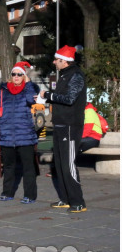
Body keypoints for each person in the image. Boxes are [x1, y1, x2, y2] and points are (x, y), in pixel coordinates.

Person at [39, 45, 88, 213]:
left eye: (56, 60)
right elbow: (61, 98)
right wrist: (47, 98)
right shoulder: (65, 75)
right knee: (59, 164)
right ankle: (66, 199)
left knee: (68, 164)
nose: (54, 62)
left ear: (65, 61)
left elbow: (69, 99)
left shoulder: (76, 75)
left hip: (70, 125)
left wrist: (48, 95)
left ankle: (78, 202)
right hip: (60, 124)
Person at [0, 61, 40, 204]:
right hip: (7, 134)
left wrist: (28, 83)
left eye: (19, 74)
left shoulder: (28, 88)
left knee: (28, 166)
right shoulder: (3, 90)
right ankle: (7, 192)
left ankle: (30, 195)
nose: (16, 76)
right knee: (8, 166)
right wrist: (0, 124)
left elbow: (30, 100)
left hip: (25, 134)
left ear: (24, 76)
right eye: (14, 74)